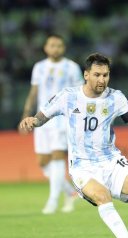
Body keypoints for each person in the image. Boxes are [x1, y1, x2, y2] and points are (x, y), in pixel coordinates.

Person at [19, 53, 128, 238]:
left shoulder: (115, 97)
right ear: (86, 75)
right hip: (82, 166)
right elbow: (42, 117)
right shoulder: (68, 96)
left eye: (105, 75)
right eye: (97, 75)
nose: (102, 80)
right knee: (103, 197)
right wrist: (32, 120)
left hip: (110, 159)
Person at [19, 34, 84, 214]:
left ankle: (53, 202)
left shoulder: (71, 67)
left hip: (62, 118)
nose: (55, 48)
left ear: (63, 48)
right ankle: (71, 191)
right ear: (46, 48)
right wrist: (26, 114)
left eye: (59, 45)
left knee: (57, 156)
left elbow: (80, 93)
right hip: (42, 118)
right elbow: (33, 92)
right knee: (42, 161)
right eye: (52, 45)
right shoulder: (39, 67)